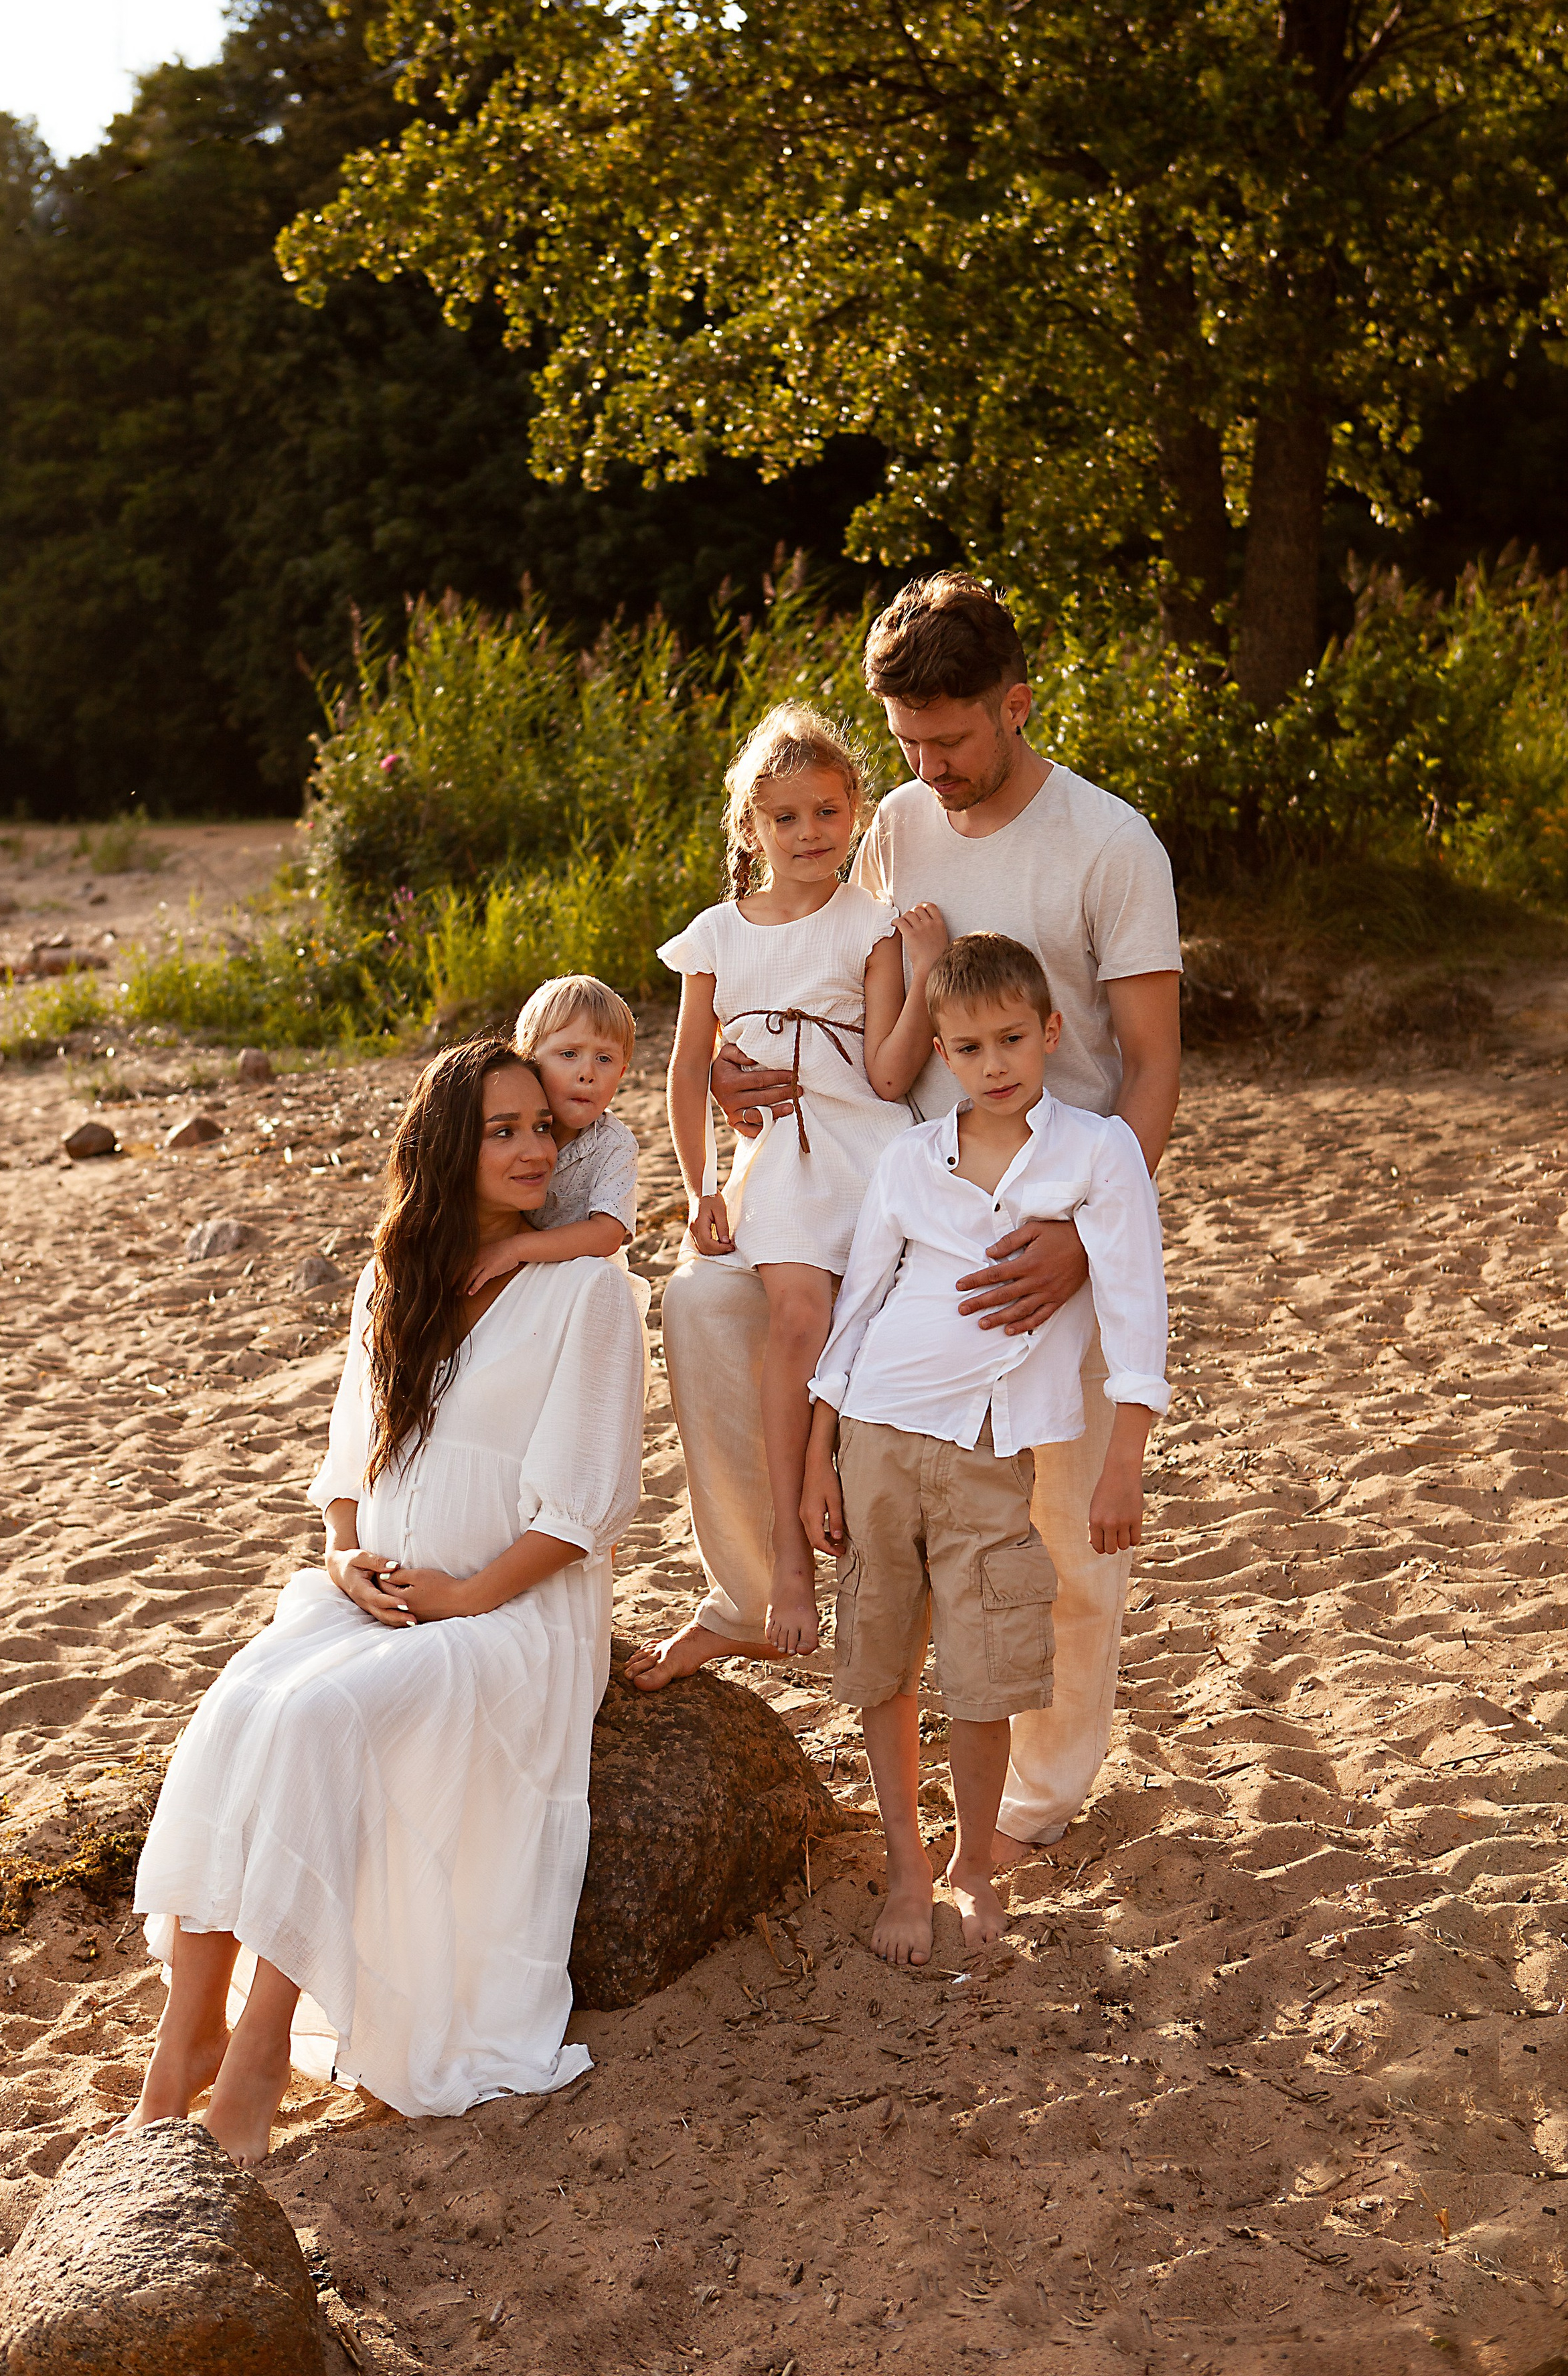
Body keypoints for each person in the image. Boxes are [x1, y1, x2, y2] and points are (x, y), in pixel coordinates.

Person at [643, 572, 1180, 1872]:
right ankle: (762, 1576)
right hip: (886, 1181)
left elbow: (1155, 1067)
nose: (925, 770)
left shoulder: (1109, 845)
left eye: (948, 739)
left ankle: (1032, 1800)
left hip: (1046, 1207)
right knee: (704, 1300)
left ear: (1015, 703)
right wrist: (734, 1072)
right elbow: (815, 963)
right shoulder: (886, 820)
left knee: (1047, 1516)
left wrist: (1081, 1242)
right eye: (905, 745)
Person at [127, 1038, 645, 2158]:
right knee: (239, 1708)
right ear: (447, 1148)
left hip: (515, 1618)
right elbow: (349, 1463)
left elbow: (582, 1512)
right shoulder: (392, 1281)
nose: (527, 1149)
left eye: (540, 1129)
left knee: (318, 1720)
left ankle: (260, 2053)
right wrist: (342, 1556)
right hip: (377, 1599)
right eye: (500, 1129)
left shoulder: (588, 1293)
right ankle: (187, 2038)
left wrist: (466, 1596)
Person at [802, 933, 1170, 1964]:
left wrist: (1123, 1460)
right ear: (943, 1057)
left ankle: (970, 1861)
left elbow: (1139, 1311)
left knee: (982, 1670)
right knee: (882, 1658)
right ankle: (906, 1868)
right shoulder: (910, 1158)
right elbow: (860, 1307)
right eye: (967, 1047)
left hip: (991, 1448)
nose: (994, 1062)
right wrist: (814, 1459)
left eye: (1012, 1038)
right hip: (878, 1429)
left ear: (1051, 1032)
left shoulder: (1098, 1154)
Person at [645, 703, 943, 1661]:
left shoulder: (873, 923)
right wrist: (700, 1191)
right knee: (802, 1317)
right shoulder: (716, 937)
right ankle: (787, 1546)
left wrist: (929, 973)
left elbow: (891, 1074)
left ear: (854, 810)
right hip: (784, 1163)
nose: (810, 834)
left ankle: (849, 1515)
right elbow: (689, 1069)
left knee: (869, 1327)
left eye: (827, 812)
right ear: (751, 829)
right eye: (787, 818)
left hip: (872, 1148)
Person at [465, 973, 639, 1293]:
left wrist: (516, 1248)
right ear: (528, 1060)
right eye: (569, 1054)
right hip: (504, 1269)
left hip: (580, 1284)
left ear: (622, 1072)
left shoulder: (613, 1144)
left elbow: (607, 1235)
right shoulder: (499, 1119)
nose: (587, 1073)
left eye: (604, 1059)